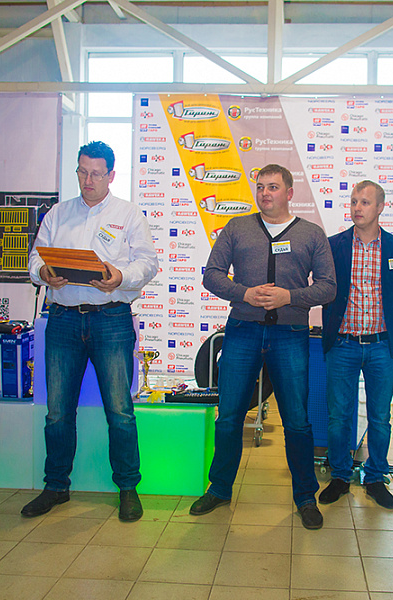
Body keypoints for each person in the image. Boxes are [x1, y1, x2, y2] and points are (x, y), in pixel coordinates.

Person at [189, 164, 336, 529]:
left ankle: (305, 496)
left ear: (289, 192)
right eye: (260, 187)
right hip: (243, 331)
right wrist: (244, 293)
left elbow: (329, 287)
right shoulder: (237, 228)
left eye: (273, 187)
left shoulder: (311, 234)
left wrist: (290, 296)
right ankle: (219, 489)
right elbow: (212, 275)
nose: (265, 193)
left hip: (290, 334)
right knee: (229, 417)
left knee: (297, 421)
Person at [24, 141, 158, 522]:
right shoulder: (58, 214)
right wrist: (43, 273)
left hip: (111, 319)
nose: (88, 180)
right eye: (82, 172)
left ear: (111, 175)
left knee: (120, 411)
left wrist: (120, 276)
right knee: (57, 412)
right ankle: (56, 485)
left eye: (96, 173)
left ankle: (128, 487)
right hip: (63, 319)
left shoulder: (128, 214)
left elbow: (148, 263)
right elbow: (35, 258)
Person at [319, 180, 393, 509]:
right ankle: (340, 476)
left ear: (381, 207)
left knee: (380, 417)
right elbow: (326, 289)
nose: (357, 207)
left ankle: (375, 477)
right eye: (354, 201)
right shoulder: (334, 246)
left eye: (365, 202)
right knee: (338, 417)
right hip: (343, 344)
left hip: (380, 345)